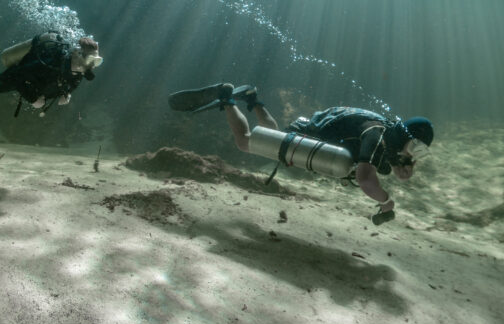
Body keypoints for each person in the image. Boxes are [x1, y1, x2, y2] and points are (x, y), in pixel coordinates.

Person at [169, 82, 434, 225]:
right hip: (309, 137)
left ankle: (252, 99)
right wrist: (387, 202)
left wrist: (402, 166)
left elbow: (385, 169)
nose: (415, 155)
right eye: (417, 147)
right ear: (408, 138)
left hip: (307, 131)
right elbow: (366, 179)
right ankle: (226, 98)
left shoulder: (385, 133)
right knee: (246, 142)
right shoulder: (377, 134)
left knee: (274, 140)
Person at [0, 29, 103, 116]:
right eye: (91, 60)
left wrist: (68, 93)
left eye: (97, 61)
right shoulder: (49, 62)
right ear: (78, 54)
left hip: (33, 82)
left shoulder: (80, 70)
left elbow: (73, 82)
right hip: (21, 74)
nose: (93, 66)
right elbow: (19, 74)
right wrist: (33, 99)